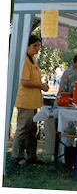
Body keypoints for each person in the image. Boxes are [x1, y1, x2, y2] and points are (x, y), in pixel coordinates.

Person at [13, 34, 49, 165]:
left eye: (39, 45)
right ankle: (18, 156)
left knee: (32, 129)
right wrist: (40, 85)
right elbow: (23, 82)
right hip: (25, 100)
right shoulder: (24, 60)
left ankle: (32, 156)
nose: (37, 48)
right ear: (27, 46)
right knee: (23, 129)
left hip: (33, 101)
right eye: (35, 46)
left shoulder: (32, 59)